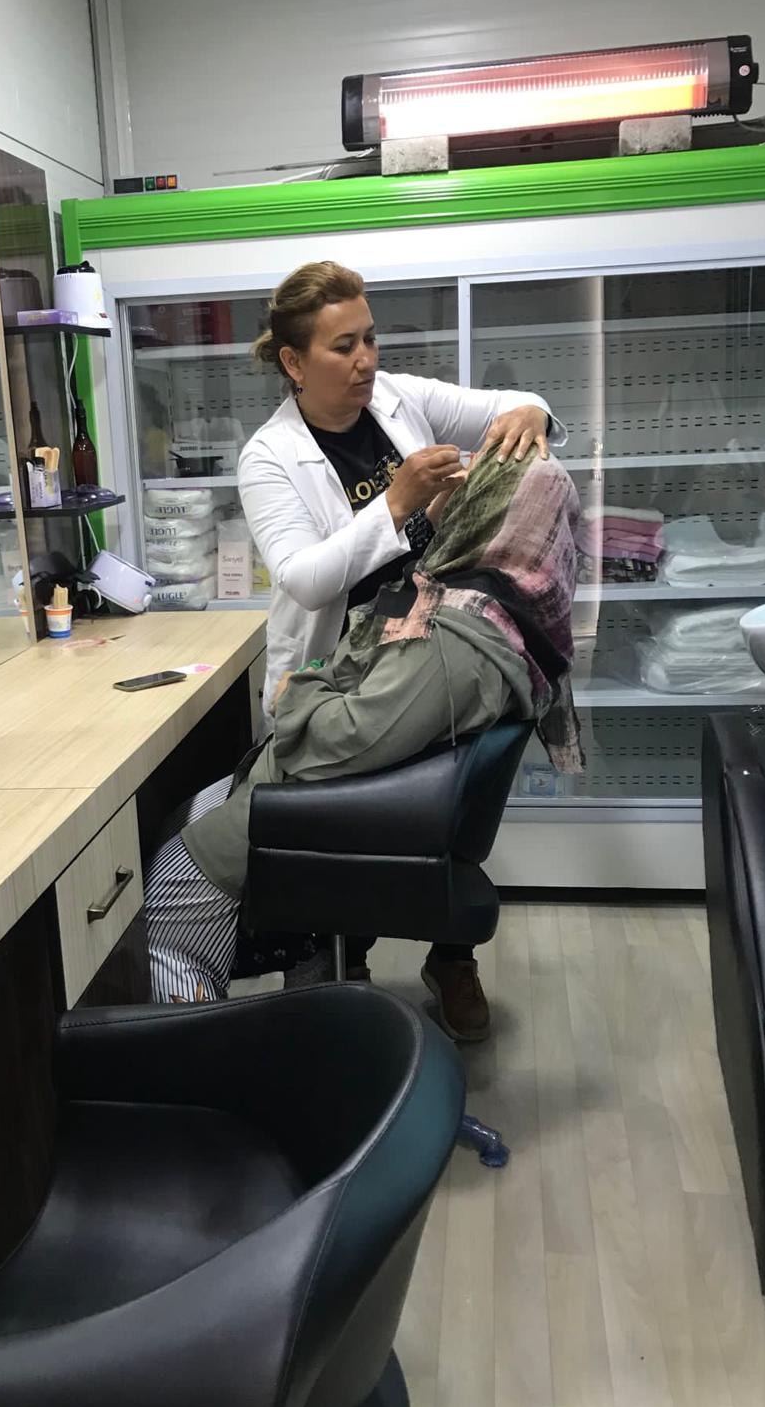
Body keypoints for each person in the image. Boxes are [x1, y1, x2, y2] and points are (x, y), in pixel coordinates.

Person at [146, 438, 582, 1041]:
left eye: (470, 488)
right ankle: (316, 1002)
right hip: (320, 792)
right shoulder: (484, 607)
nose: (452, 496)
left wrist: (299, 694)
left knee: (155, 915)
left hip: (307, 804)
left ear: (493, 509)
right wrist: (322, 686)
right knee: (178, 816)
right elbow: (357, 686)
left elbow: (341, 741)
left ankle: (195, 1065)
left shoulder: (453, 637)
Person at [235, 259, 567, 1027]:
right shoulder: (269, 456)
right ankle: (333, 968)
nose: (365, 361)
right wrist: (396, 504)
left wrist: (531, 414)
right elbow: (305, 579)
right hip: (342, 667)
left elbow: (516, 405)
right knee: (338, 836)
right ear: (294, 363)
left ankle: (451, 956)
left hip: (436, 641)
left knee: (455, 811)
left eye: (370, 339)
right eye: (342, 346)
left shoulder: (397, 397)